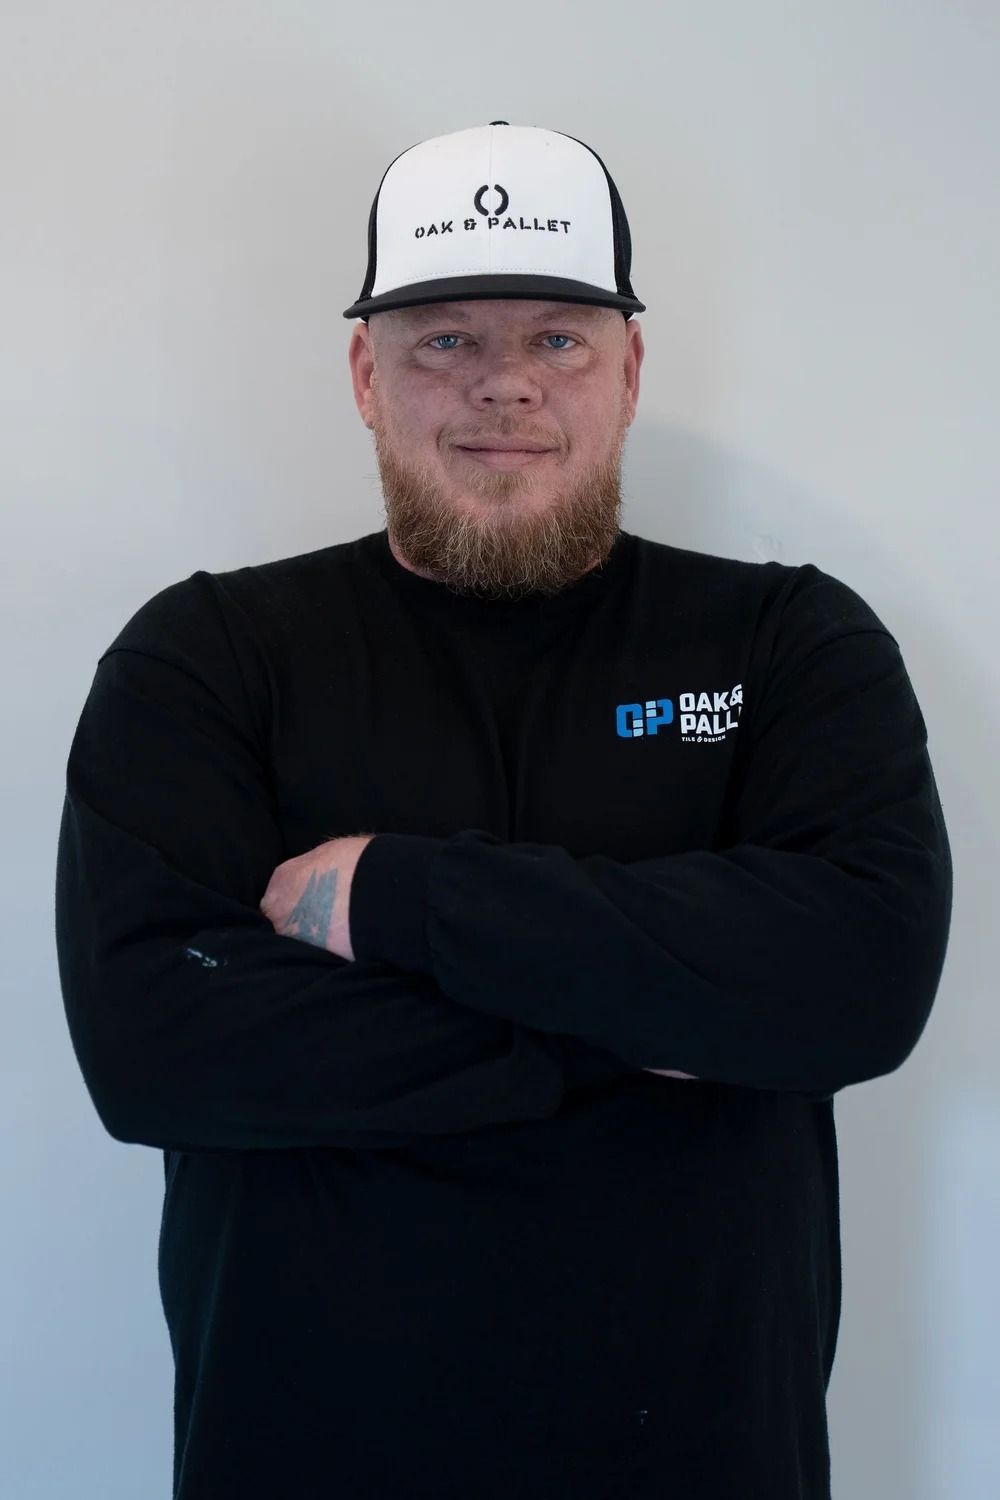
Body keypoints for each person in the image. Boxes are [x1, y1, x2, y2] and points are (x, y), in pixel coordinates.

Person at [55, 122, 953, 1499]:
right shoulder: (211, 655)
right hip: (303, 1462)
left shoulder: (786, 642)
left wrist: (403, 898)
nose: (502, 388)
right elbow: (156, 1044)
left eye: (555, 340)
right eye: (444, 341)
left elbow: (858, 985)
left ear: (630, 370)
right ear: (367, 374)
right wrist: (666, 1018)